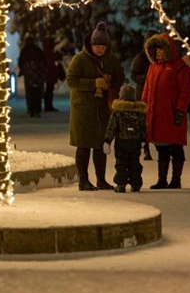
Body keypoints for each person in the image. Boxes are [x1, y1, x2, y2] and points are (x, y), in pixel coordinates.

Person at [66, 22, 126, 191]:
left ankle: (101, 180)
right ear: (90, 45)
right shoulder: (79, 59)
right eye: (96, 46)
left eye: (102, 46)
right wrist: (93, 83)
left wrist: (110, 82)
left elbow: (120, 77)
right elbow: (71, 80)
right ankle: (83, 180)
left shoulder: (111, 59)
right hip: (83, 110)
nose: (99, 49)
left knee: (100, 145)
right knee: (83, 145)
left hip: (103, 109)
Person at [143, 33, 190, 190]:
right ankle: (162, 179)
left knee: (176, 148)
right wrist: (142, 108)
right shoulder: (153, 66)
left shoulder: (180, 67)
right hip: (157, 115)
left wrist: (180, 110)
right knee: (161, 148)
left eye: (161, 50)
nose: (158, 53)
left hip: (172, 114)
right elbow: (147, 90)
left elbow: (186, 91)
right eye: (156, 50)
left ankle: (176, 180)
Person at [103, 82, 147, 193]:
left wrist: (107, 141)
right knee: (134, 163)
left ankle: (121, 184)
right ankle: (136, 184)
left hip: (121, 142)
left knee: (121, 163)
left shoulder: (118, 112)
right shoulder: (139, 112)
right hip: (135, 142)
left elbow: (111, 127)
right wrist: (143, 139)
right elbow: (143, 127)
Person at [131, 30, 158, 161]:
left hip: (157, 94)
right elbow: (134, 75)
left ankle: (159, 146)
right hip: (143, 94)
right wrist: (148, 78)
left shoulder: (159, 57)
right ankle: (145, 148)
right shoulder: (141, 58)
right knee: (143, 122)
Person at [18, 36, 45, 118]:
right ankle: (37, 109)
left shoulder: (25, 50)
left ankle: (31, 109)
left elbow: (21, 61)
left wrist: (24, 70)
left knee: (30, 92)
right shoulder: (38, 50)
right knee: (38, 92)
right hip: (38, 75)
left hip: (29, 75)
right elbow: (43, 61)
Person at [43, 37, 64, 112]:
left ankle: (47, 105)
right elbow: (58, 59)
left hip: (47, 73)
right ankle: (48, 106)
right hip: (51, 73)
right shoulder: (52, 53)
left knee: (48, 90)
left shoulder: (44, 52)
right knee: (49, 90)